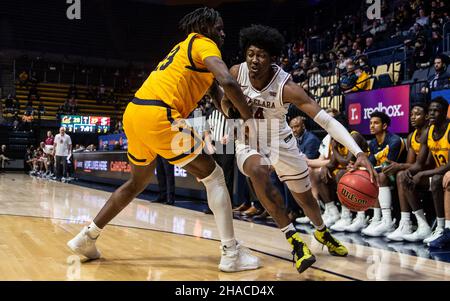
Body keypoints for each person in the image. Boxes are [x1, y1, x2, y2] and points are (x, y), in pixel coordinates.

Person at [67, 7, 260, 273]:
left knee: (137, 182)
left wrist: (234, 112)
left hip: (135, 113)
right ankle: (231, 252)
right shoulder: (203, 43)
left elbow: (219, 96)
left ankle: (86, 237)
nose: (223, 32)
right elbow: (227, 80)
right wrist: (250, 120)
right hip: (160, 113)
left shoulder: (185, 51)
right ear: (205, 27)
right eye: (219, 27)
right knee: (213, 175)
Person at [221, 25, 376, 273]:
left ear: (272, 58)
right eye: (250, 53)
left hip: (280, 141)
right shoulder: (236, 72)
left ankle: (322, 232)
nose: (254, 60)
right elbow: (225, 100)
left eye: (261, 55)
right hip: (247, 140)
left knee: (306, 200)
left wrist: (358, 152)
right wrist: (235, 118)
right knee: (257, 172)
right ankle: (295, 241)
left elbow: (325, 120)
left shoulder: (287, 87)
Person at [402, 97, 450, 245]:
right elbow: (419, 164)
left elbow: (449, 165)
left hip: (445, 172)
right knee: (404, 177)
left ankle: (442, 228)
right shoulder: (428, 132)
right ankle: (422, 225)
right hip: (438, 172)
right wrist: (407, 172)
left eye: (436, 110)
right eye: (430, 111)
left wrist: (422, 173)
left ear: (445, 113)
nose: (432, 114)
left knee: (436, 179)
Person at [384, 103, 433, 242]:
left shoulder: (430, 133)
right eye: (411, 114)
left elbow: (426, 164)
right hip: (421, 172)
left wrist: (399, 166)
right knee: (401, 175)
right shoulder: (412, 136)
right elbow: (411, 163)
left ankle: (422, 225)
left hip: (432, 173)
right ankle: (406, 223)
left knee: (402, 174)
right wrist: (399, 167)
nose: (413, 117)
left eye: (417, 114)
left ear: (427, 116)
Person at [361, 111, 405, 237]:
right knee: (365, 175)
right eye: (370, 123)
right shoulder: (374, 143)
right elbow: (370, 163)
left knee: (378, 175)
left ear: (384, 126)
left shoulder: (395, 140)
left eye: (376, 123)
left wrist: (371, 169)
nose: (371, 126)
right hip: (383, 175)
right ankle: (376, 218)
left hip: (397, 174)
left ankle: (387, 221)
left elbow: (388, 166)